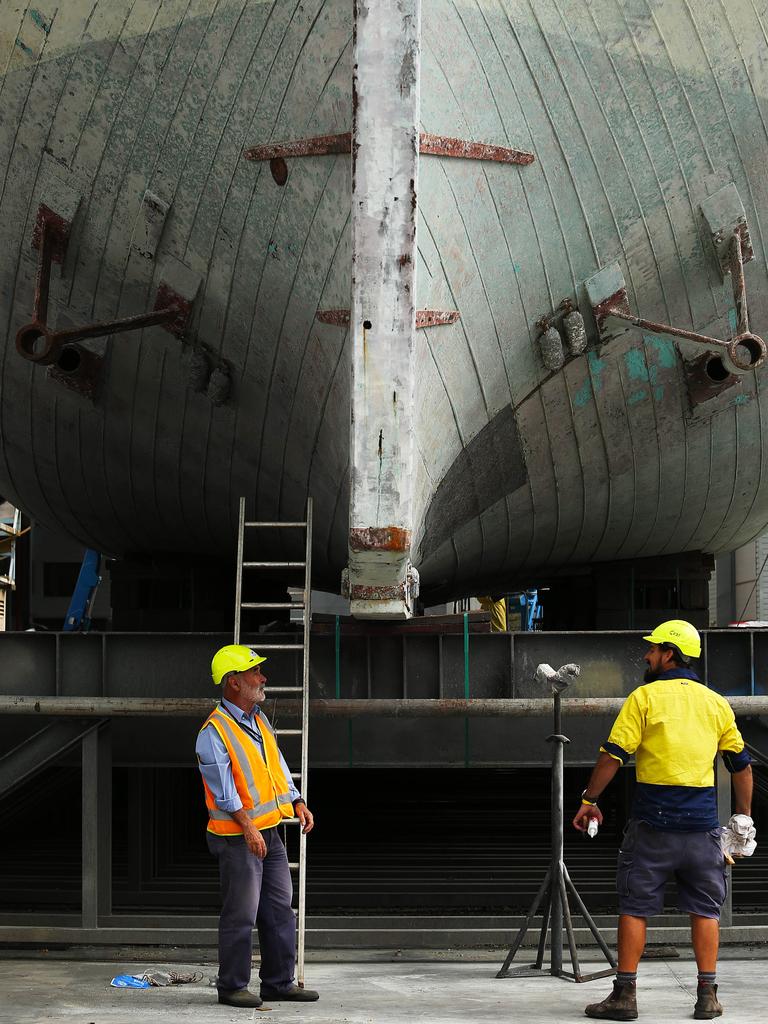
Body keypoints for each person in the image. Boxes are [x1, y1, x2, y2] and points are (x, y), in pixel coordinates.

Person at [572, 620, 753, 1021]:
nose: (647, 655)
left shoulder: (644, 698)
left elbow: (613, 755)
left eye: (653, 649)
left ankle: (624, 996)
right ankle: (708, 995)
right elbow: (741, 766)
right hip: (703, 830)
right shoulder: (715, 702)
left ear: (670, 654)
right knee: (706, 910)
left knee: (635, 908)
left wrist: (590, 799)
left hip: (652, 828)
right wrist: (743, 817)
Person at [196, 644, 319, 1008]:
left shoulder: (258, 719)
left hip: (269, 831)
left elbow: (276, 766)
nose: (262, 678)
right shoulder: (214, 731)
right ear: (234, 682)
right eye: (255, 673)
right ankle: (231, 986)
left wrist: (296, 800)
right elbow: (224, 793)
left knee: (280, 908)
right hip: (237, 837)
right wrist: (248, 828)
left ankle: (278, 983)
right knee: (241, 913)